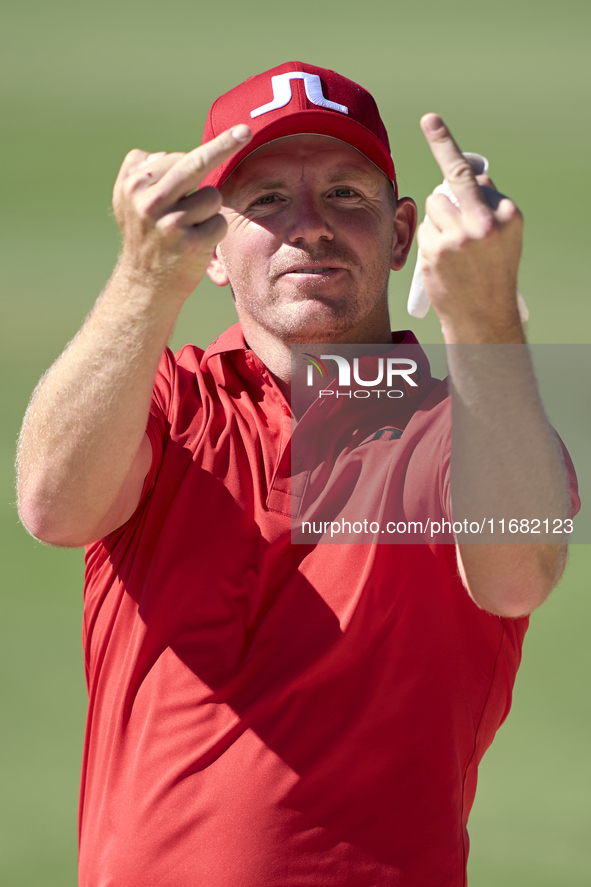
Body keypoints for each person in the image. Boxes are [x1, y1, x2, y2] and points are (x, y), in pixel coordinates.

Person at [16, 61, 578, 886]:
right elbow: (53, 507)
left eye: (347, 194)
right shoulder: (164, 400)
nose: (308, 225)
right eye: (267, 200)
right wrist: (143, 279)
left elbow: (516, 574)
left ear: (400, 236)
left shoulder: (467, 422)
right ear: (213, 244)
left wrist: (484, 318)